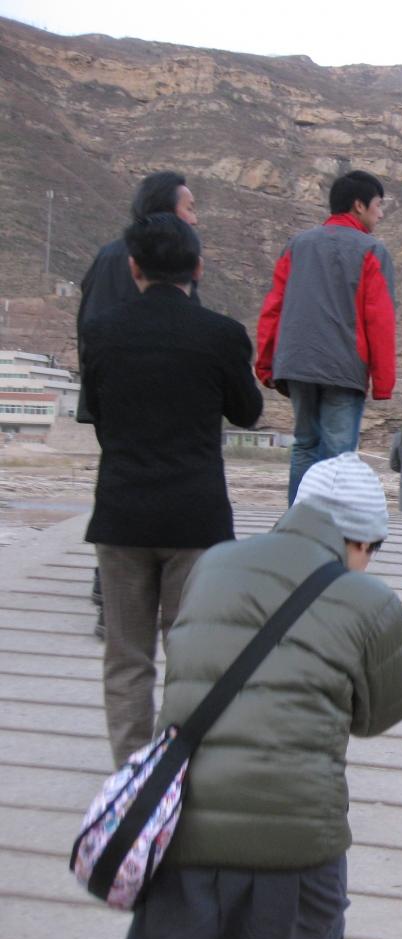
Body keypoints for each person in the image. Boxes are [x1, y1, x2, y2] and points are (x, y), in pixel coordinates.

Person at [114, 453, 402, 939]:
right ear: (363, 541)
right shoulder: (372, 600)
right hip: (298, 844)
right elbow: (379, 716)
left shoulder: (212, 564)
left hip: (181, 826)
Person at [81, 213, 262, 766]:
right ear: (198, 268)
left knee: (126, 657)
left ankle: (131, 776)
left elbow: (99, 414)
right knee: (193, 657)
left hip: (122, 513)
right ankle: (182, 771)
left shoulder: (102, 331)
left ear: (134, 267)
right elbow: (248, 412)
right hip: (195, 518)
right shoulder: (221, 334)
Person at [76, 171, 199, 639]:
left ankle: (111, 586)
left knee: (119, 479)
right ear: (166, 211)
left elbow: (87, 328)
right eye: (189, 207)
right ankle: (121, 593)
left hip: (112, 393)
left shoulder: (107, 255)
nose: (195, 218)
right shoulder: (160, 261)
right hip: (154, 393)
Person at [255, 171, 397, 505]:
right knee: (339, 454)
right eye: (378, 205)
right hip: (343, 367)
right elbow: (380, 320)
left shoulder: (297, 245)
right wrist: (383, 382)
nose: (380, 213)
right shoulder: (372, 250)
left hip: (296, 363)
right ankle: (330, 525)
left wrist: (266, 362)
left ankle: (298, 520)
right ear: (359, 205)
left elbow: (273, 307)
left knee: (305, 444)